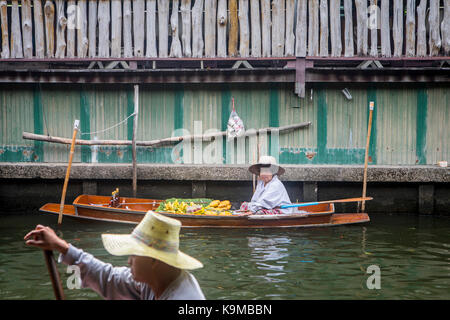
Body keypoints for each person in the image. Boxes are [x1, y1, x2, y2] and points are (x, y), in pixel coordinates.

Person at [24, 211, 205, 300]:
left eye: (133, 254)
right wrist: (61, 247)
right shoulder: (154, 281)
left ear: (154, 260)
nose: (129, 260)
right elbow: (109, 277)